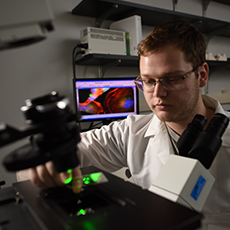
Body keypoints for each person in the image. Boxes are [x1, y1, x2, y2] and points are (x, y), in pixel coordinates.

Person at [17, 20, 230, 229]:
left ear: (201, 75)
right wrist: (48, 162)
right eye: (148, 81)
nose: (158, 94)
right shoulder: (131, 132)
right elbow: (69, 152)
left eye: (172, 79)